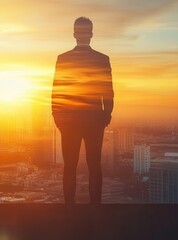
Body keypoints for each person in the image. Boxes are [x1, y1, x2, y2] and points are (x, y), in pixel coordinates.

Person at [52, 17, 114, 204]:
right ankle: (96, 207)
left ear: (74, 34)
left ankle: (69, 208)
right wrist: (106, 115)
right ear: (91, 34)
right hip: (94, 119)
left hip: (69, 120)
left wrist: (57, 116)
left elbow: (57, 90)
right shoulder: (102, 59)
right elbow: (108, 92)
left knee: (69, 165)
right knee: (94, 165)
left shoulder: (63, 59)